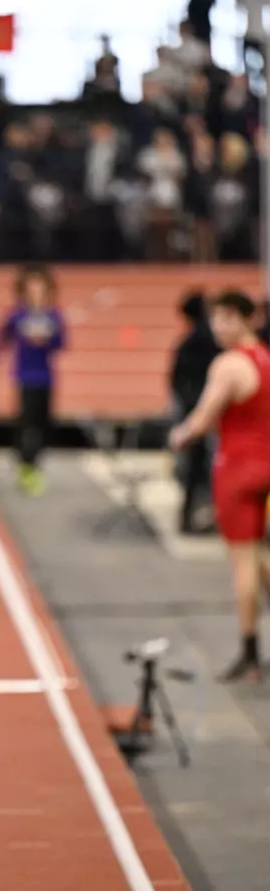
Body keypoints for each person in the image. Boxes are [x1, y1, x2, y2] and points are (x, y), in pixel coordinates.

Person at [170, 290, 270, 682]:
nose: (219, 327)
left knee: (242, 562)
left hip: (237, 470)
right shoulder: (265, 357)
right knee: (259, 557)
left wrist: (179, 436)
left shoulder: (228, 364)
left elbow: (202, 419)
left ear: (247, 319)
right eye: (216, 319)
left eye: (228, 319)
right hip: (265, 465)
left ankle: (249, 653)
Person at [0, 264, 66, 495]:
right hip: (24, 377)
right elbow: (0, 339)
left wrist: (47, 338)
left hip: (47, 378)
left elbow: (62, 344)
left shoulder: (54, 316)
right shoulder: (17, 315)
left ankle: (34, 464)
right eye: (32, 288)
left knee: (44, 424)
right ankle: (26, 467)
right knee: (26, 424)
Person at [168, 291, 220, 533]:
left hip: (196, 412)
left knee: (195, 467)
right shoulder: (211, 341)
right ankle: (198, 516)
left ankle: (192, 516)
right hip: (206, 413)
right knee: (204, 466)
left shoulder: (191, 343)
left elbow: (175, 380)